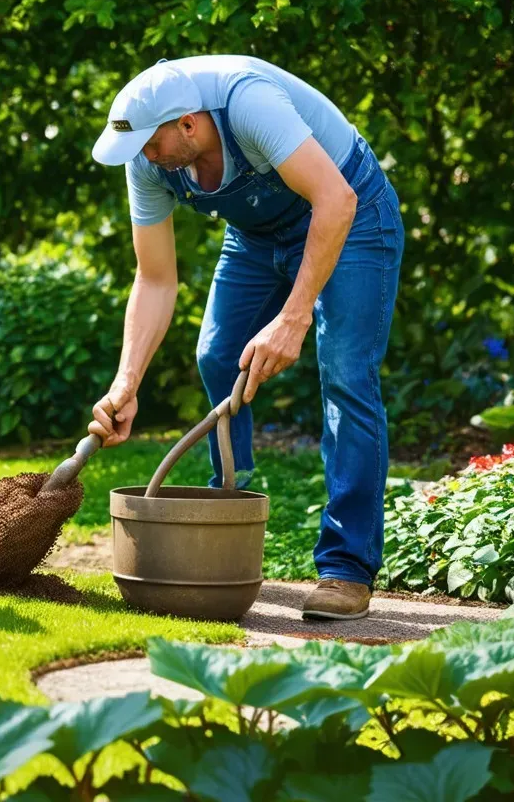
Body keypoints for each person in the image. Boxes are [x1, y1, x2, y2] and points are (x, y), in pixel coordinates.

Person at [88, 54, 404, 620]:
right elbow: (155, 278)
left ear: (188, 123)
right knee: (216, 355)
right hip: (258, 235)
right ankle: (231, 511)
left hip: (349, 210)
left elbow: (336, 200)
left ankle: (346, 568)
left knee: (346, 374)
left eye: (152, 146)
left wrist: (294, 315)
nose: (145, 159)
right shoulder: (149, 160)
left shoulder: (248, 105)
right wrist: (126, 383)